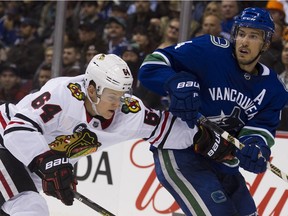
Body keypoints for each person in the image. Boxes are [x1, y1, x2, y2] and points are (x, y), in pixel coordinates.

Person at [0, 53, 200, 216]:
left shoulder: (129, 112)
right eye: (112, 96)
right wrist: (48, 162)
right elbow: (17, 129)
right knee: (29, 207)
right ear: (92, 90)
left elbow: (166, 128)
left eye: (122, 95)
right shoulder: (62, 95)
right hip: (4, 139)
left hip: (28, 169)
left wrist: (203, 138)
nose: (117, 103)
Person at [138, 7, 288, 215]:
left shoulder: (273, 89)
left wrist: (255, 148)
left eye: (253, 36)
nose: (244, 41)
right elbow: (152, 65)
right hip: (181, 151)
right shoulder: (209, 50)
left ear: (266, 43)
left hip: (222, 162)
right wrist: (174, 82)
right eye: (241, 33)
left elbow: (259, 129)